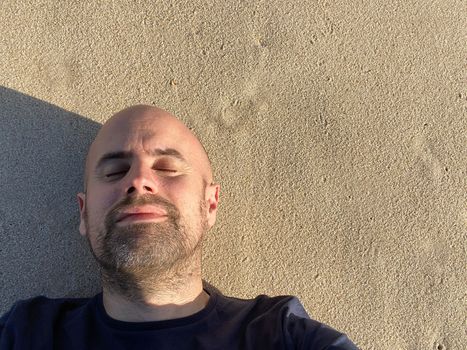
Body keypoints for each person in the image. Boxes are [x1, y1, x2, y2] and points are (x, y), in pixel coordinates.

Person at [0, 105, 358, 349]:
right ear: (83, 213)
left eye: (167, 167)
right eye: (114, 172)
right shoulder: (27, 334)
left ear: (210, 203)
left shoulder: (278, 336)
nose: (139, 181)